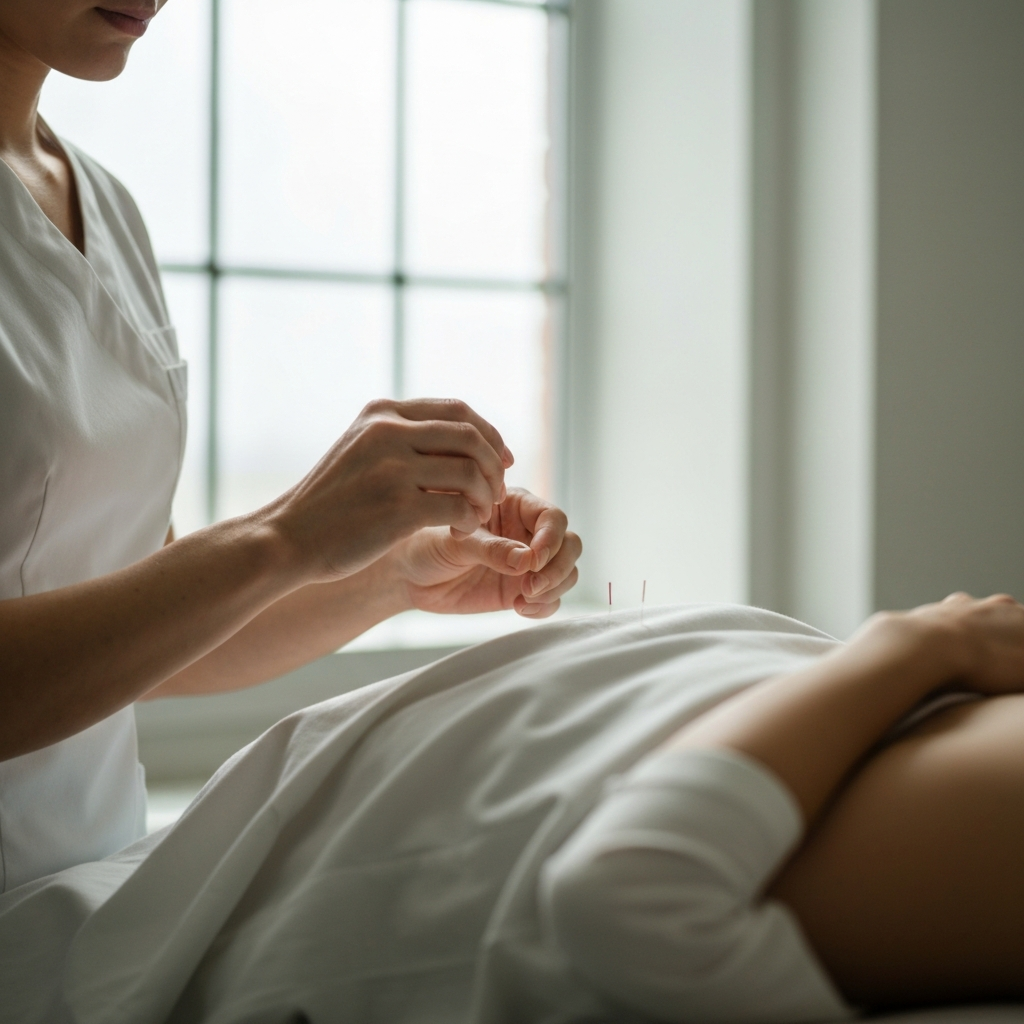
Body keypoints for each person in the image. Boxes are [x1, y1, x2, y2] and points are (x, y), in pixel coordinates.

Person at [0, 0, 581, 893]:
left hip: (92, 893)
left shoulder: (101, 203)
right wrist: (288, 535)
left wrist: (395, 575)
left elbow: (147, 632)